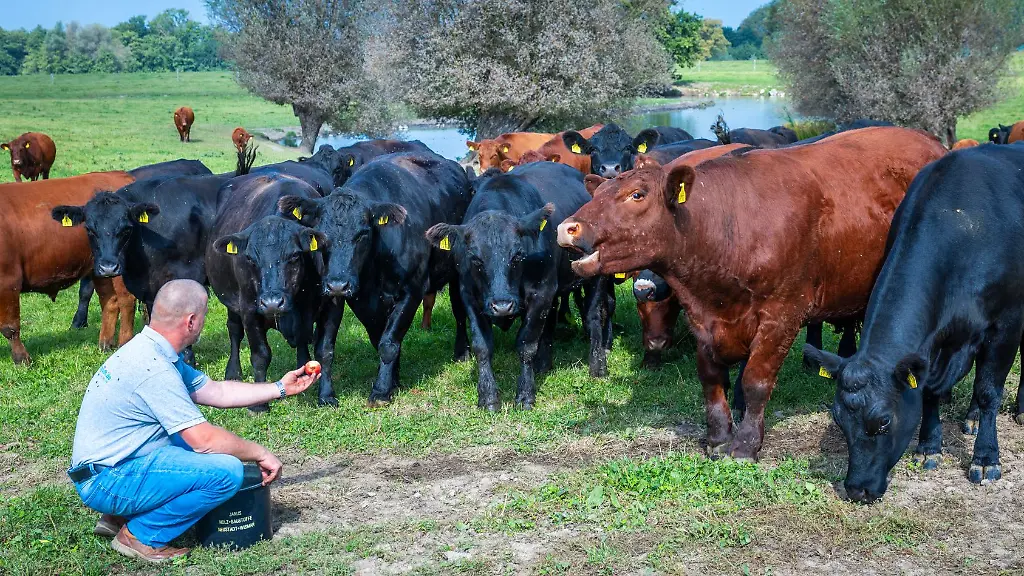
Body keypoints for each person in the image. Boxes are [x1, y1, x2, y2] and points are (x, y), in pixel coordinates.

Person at [66, 279, 320, 563]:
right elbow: (205, 442)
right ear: (191, 321)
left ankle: (117, 514)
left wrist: (280, 388)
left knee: (180, 439)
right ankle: (140, 534)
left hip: (108, 467)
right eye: (204, 316)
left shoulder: (150, 349)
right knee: (226, 473)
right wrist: (260, 453)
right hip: (106, 480)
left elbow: (216, 391)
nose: (203, 323)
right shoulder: (154, 369)